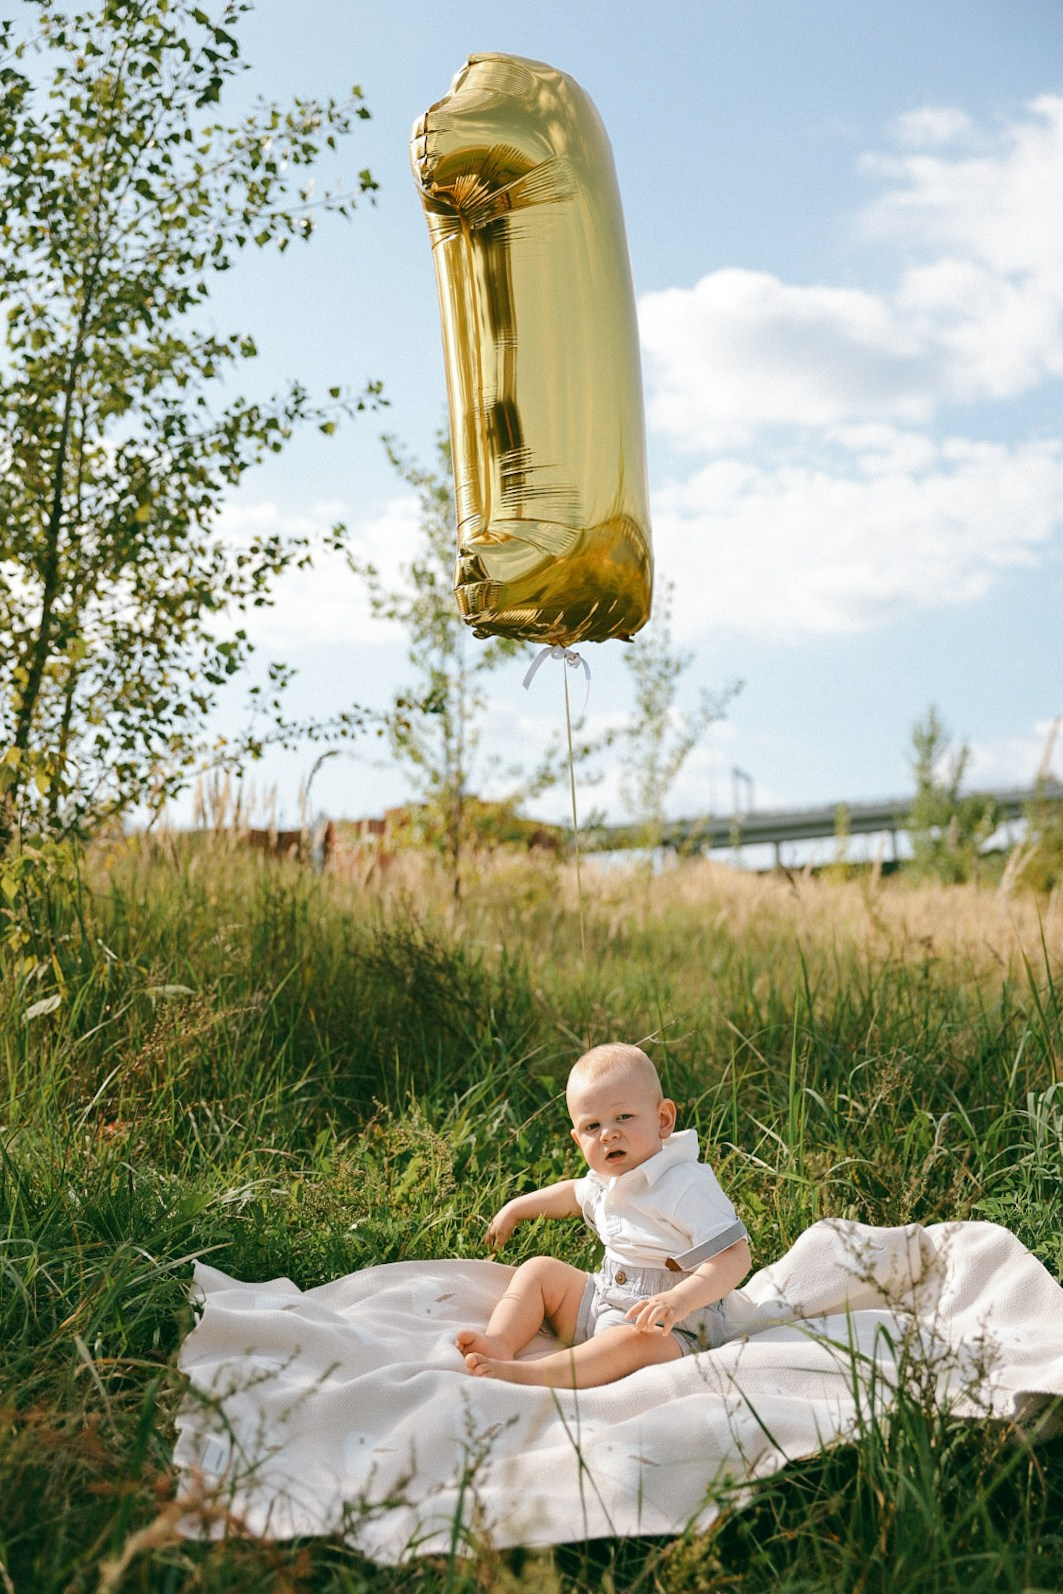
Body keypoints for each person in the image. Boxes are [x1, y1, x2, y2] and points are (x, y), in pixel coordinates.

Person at [455, 1042, 751, 1387]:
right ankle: (500, 1342)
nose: (608, 1133)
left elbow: (735, 1255)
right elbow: (570, 1194)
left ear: (663, 1120)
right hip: (605, 1296)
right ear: (578, 1141)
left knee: (627, 1342)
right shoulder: (605, 1179)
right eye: (592, 1126)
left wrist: (680, 1300)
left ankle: (535, 1374)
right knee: (539, 1270)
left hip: (676, 1325)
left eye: (623, 1117)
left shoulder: (684, 1183)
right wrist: (515, 1209)